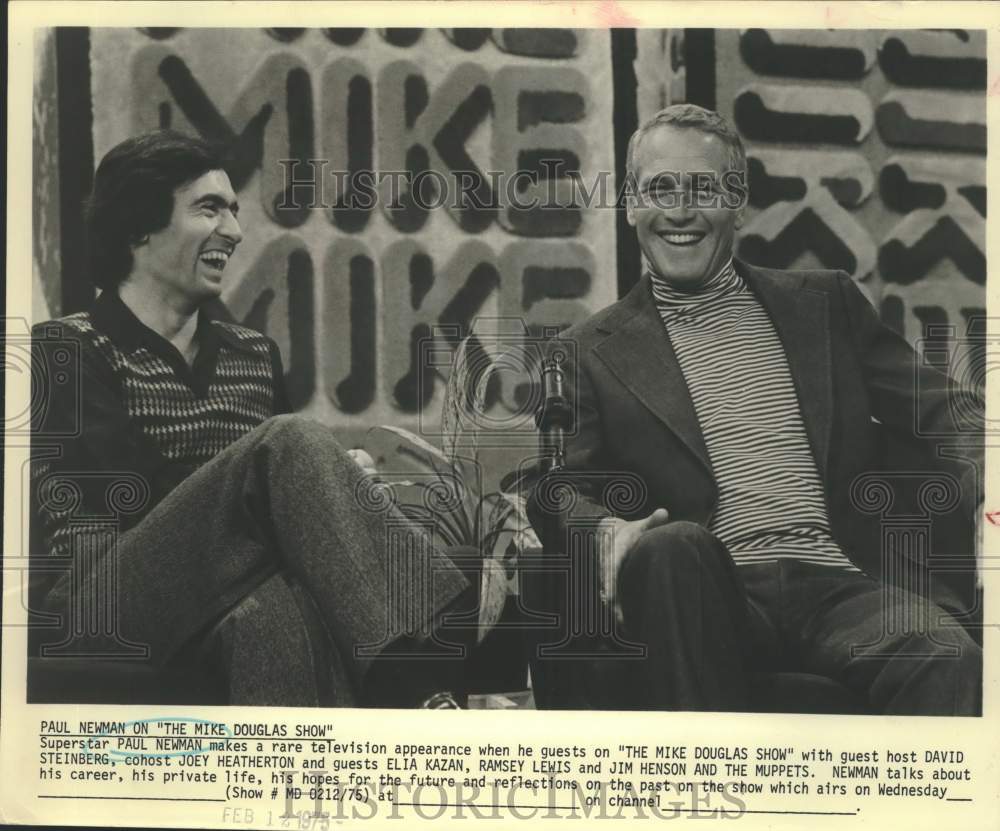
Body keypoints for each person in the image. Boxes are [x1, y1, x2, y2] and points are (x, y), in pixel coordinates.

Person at [526, 104, 983, 715]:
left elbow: (953, 412)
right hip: (710, 588)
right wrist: (602, 529)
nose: (680, 212)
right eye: (660, 188)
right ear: (631, 204)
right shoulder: (586, 352)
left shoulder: (826, 305)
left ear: (738, 203)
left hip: (842, 585)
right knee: (674, 547)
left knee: (945, 655)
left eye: (704, 188)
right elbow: (554, 486)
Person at [29, 130, 475, 708]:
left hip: (227, 595)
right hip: (106, 603)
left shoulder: (253, 354)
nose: (234, 231)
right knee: (287, 443)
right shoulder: (63, 349)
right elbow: (119, 506)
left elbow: (265, 508)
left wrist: (325, 493)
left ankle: (302, 787)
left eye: (235, 211)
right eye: (209, 208)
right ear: (139, 226)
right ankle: (422, 654)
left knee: (276, 613)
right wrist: (287, 493)